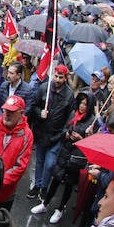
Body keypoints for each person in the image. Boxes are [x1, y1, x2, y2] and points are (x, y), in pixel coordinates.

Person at [31, 91, 96, 223]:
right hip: (65, 152)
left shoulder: (92, 122)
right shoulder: (73, 114)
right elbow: (64, 129)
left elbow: (92, 144)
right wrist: (66, 134)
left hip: (77, 157)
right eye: (81, 103)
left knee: (68, 184)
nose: (82, 106)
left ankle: (60, 209)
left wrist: (83, 138)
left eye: (85, 104)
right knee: (56, 178)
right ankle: (45, 203)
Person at [28, 64, 75, 199]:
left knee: (49, 164)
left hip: (56, 135)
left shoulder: (69, 95)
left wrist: (66, 130)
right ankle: (37, 185)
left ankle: (44, 187)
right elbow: (34, 106)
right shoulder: (44, 88)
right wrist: (39, 112)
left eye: (61, 77)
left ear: (65, 78)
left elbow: (70, 115)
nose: (57, 80)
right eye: (56, 76)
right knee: (39, 161)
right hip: (41, 132)